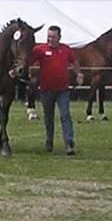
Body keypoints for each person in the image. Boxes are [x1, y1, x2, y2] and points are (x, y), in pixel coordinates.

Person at [27, 25, 84, 155]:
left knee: (65, 115)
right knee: (48, 118)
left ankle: (69, 143)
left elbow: (74, 61)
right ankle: (49, 140)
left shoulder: (65, 49)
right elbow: (27, 61)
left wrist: (79, 73)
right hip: (46, 90)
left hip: (62, 90)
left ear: (59, 37)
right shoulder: (40, 50)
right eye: (49, 37)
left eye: (53, 37)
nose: (50, 39)